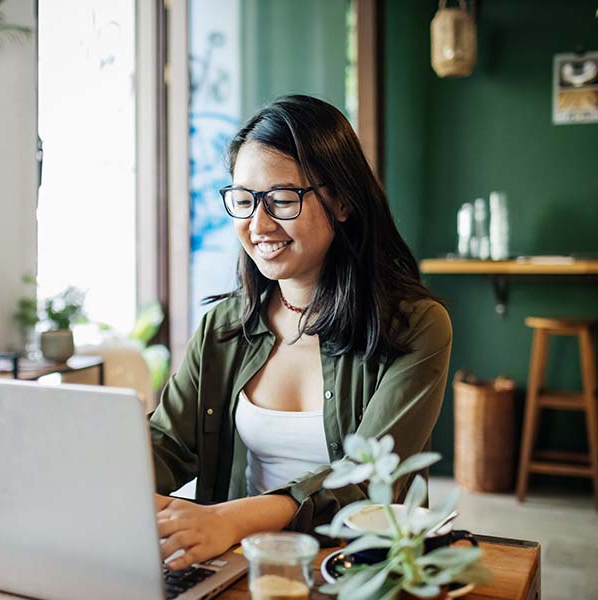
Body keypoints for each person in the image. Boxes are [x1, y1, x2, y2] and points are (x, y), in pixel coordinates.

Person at [151, 94, 452, 571]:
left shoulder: (415, 327)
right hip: (241, 569)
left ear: (343, 200)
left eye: (282, 199)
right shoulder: (223, 327)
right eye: (244, 199)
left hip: (358, 571)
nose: (258, 223)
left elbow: (367, 480)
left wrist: (231, 519)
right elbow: (167, 444)